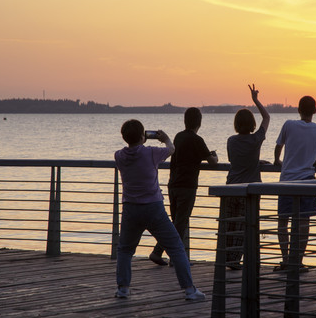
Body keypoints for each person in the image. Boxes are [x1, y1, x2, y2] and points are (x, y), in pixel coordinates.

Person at [114, 119, 205, 300]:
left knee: (125, 250)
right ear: (143, 136)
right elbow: (171, 150)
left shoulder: (119, 156)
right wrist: (166, 139)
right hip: (153, 207)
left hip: (131, 208)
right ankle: (189, 290)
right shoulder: (151, 153)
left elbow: (133, 152)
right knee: (176, 248)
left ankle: (123, 288)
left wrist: (140, 140)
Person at [149, 107, 218, 266]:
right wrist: (214, 155)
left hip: (173, 184)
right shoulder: (197, 140)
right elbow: (212, 162)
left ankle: (158, 252)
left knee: (176, 222)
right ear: (199, 122)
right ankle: (175, 258)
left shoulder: (179, 136)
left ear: (185, 121)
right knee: (180, 222)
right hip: (187, 186)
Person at [273, 96, 316, 271]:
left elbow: (278, 146)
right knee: (304, 222)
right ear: (315, 110)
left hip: (287, 180)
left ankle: (286, 259)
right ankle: (298, 261)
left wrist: (277, 161)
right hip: (307, 181)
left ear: (298, 109)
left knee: (283, 221)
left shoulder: (288, 125)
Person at [224, 84, 270, 270]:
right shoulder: (256, 139)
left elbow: (234, 161)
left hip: (230, 187)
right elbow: (267, 117)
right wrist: (256, 100)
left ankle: (228, 258)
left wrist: (254, 162)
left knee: (229, 226)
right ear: (252, 124)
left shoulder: (231, 141)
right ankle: (235, 261)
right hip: (248, 190)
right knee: (244, 227)